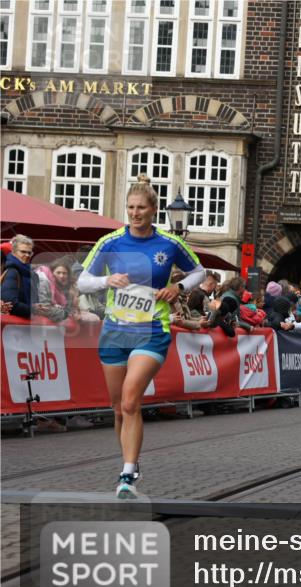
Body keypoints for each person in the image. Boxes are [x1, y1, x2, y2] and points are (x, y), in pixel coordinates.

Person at [76, 175, 205, 499]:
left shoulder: (169, 243)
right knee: (119, 408)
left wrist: (179, 287)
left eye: (141, 208)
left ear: (154, 210)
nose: (135, 213)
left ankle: (128, 473)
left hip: (152, 331)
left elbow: (199, 272)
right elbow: (82, 280)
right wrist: (107, 282)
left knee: (132, 399)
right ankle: (128, 463)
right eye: (131, 207)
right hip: (116, 331)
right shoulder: (110, 242)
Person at [1, 234, 34, 318]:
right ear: (14, 252)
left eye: (29, 253)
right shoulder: (12, 271)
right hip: (14, 328)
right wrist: (35, 312)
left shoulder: (31, 273)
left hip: (26, 326)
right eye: (23, 252)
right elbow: (11, 304)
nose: (27, 255)